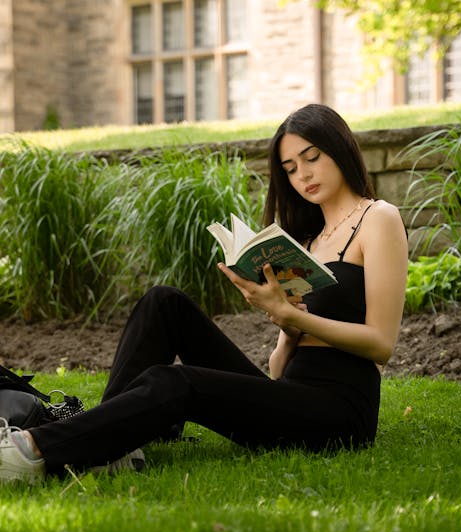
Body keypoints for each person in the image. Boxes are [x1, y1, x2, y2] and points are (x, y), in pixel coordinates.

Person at [0, 104, 408, 483]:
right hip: (292, 395)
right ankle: (115, 447)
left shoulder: (378, 219)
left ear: (339, 148)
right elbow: (280, 371)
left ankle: (32, 451)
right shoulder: (310, 238)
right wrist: (286, 328)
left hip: (337, 415)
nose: (302, 174)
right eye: (289, 167)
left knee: (177, 383)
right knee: (165, 303)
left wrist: (293, 317)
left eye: (312, 157)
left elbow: (381, 345)